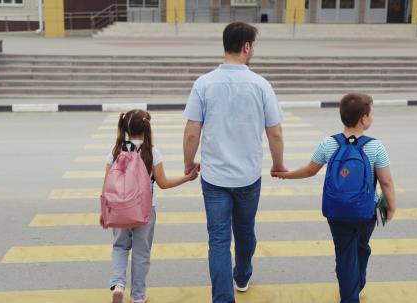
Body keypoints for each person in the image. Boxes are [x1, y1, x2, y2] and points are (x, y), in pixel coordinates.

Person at [182, 22, 286, 303]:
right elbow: (274, 132)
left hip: (214, 178)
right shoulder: (261, 85)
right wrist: (278, 165)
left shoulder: (204, 83)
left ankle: (223, 298)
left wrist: (188, 164)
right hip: (248, 178)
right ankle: (242, 274)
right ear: (247, 47)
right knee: (245, 231)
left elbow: (192, 131)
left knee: (218, 240)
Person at [271, 92, 397, 303]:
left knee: (344, 252)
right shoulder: (375, 146)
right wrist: (391, 206)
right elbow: (386, 182)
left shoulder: (329, 143)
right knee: (362, 246)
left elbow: (310, 170)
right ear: (363, 119)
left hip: (337, 210)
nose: (372, 118)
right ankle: (354, 288)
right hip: (366, 210)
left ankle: (350, 289)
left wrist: (286, 175)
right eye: (372, 114)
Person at [106, 109, 199, 303]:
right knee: (141, 252)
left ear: (125, 128)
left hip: (118, 210)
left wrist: (108, 209)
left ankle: (118, 285)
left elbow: (108, 184)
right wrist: (188, 178)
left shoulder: (115, 152)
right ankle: (138, 296)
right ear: (147, 128)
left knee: (120, 247)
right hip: (145, 210)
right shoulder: (151, 152)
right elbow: (163, 183)